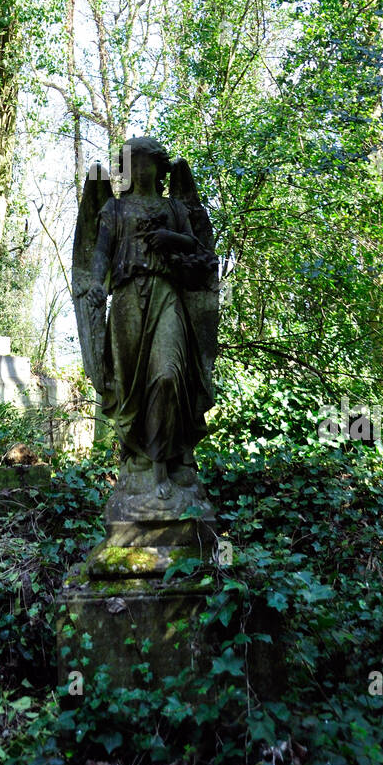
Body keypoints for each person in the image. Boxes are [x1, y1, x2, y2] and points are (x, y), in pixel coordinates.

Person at [85, 136, 217, 499]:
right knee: (131, 387)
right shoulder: (113, 209)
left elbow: (196, 245)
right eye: (132, 161)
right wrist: (96, 284)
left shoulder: (174, 207)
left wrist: (169, 236)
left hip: (165, 294)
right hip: (128, 297)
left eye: (145, 161)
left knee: (167, 375)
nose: (139, 168)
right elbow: (99, 253)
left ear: (160, 166)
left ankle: (164, 465)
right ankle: (138, 460)